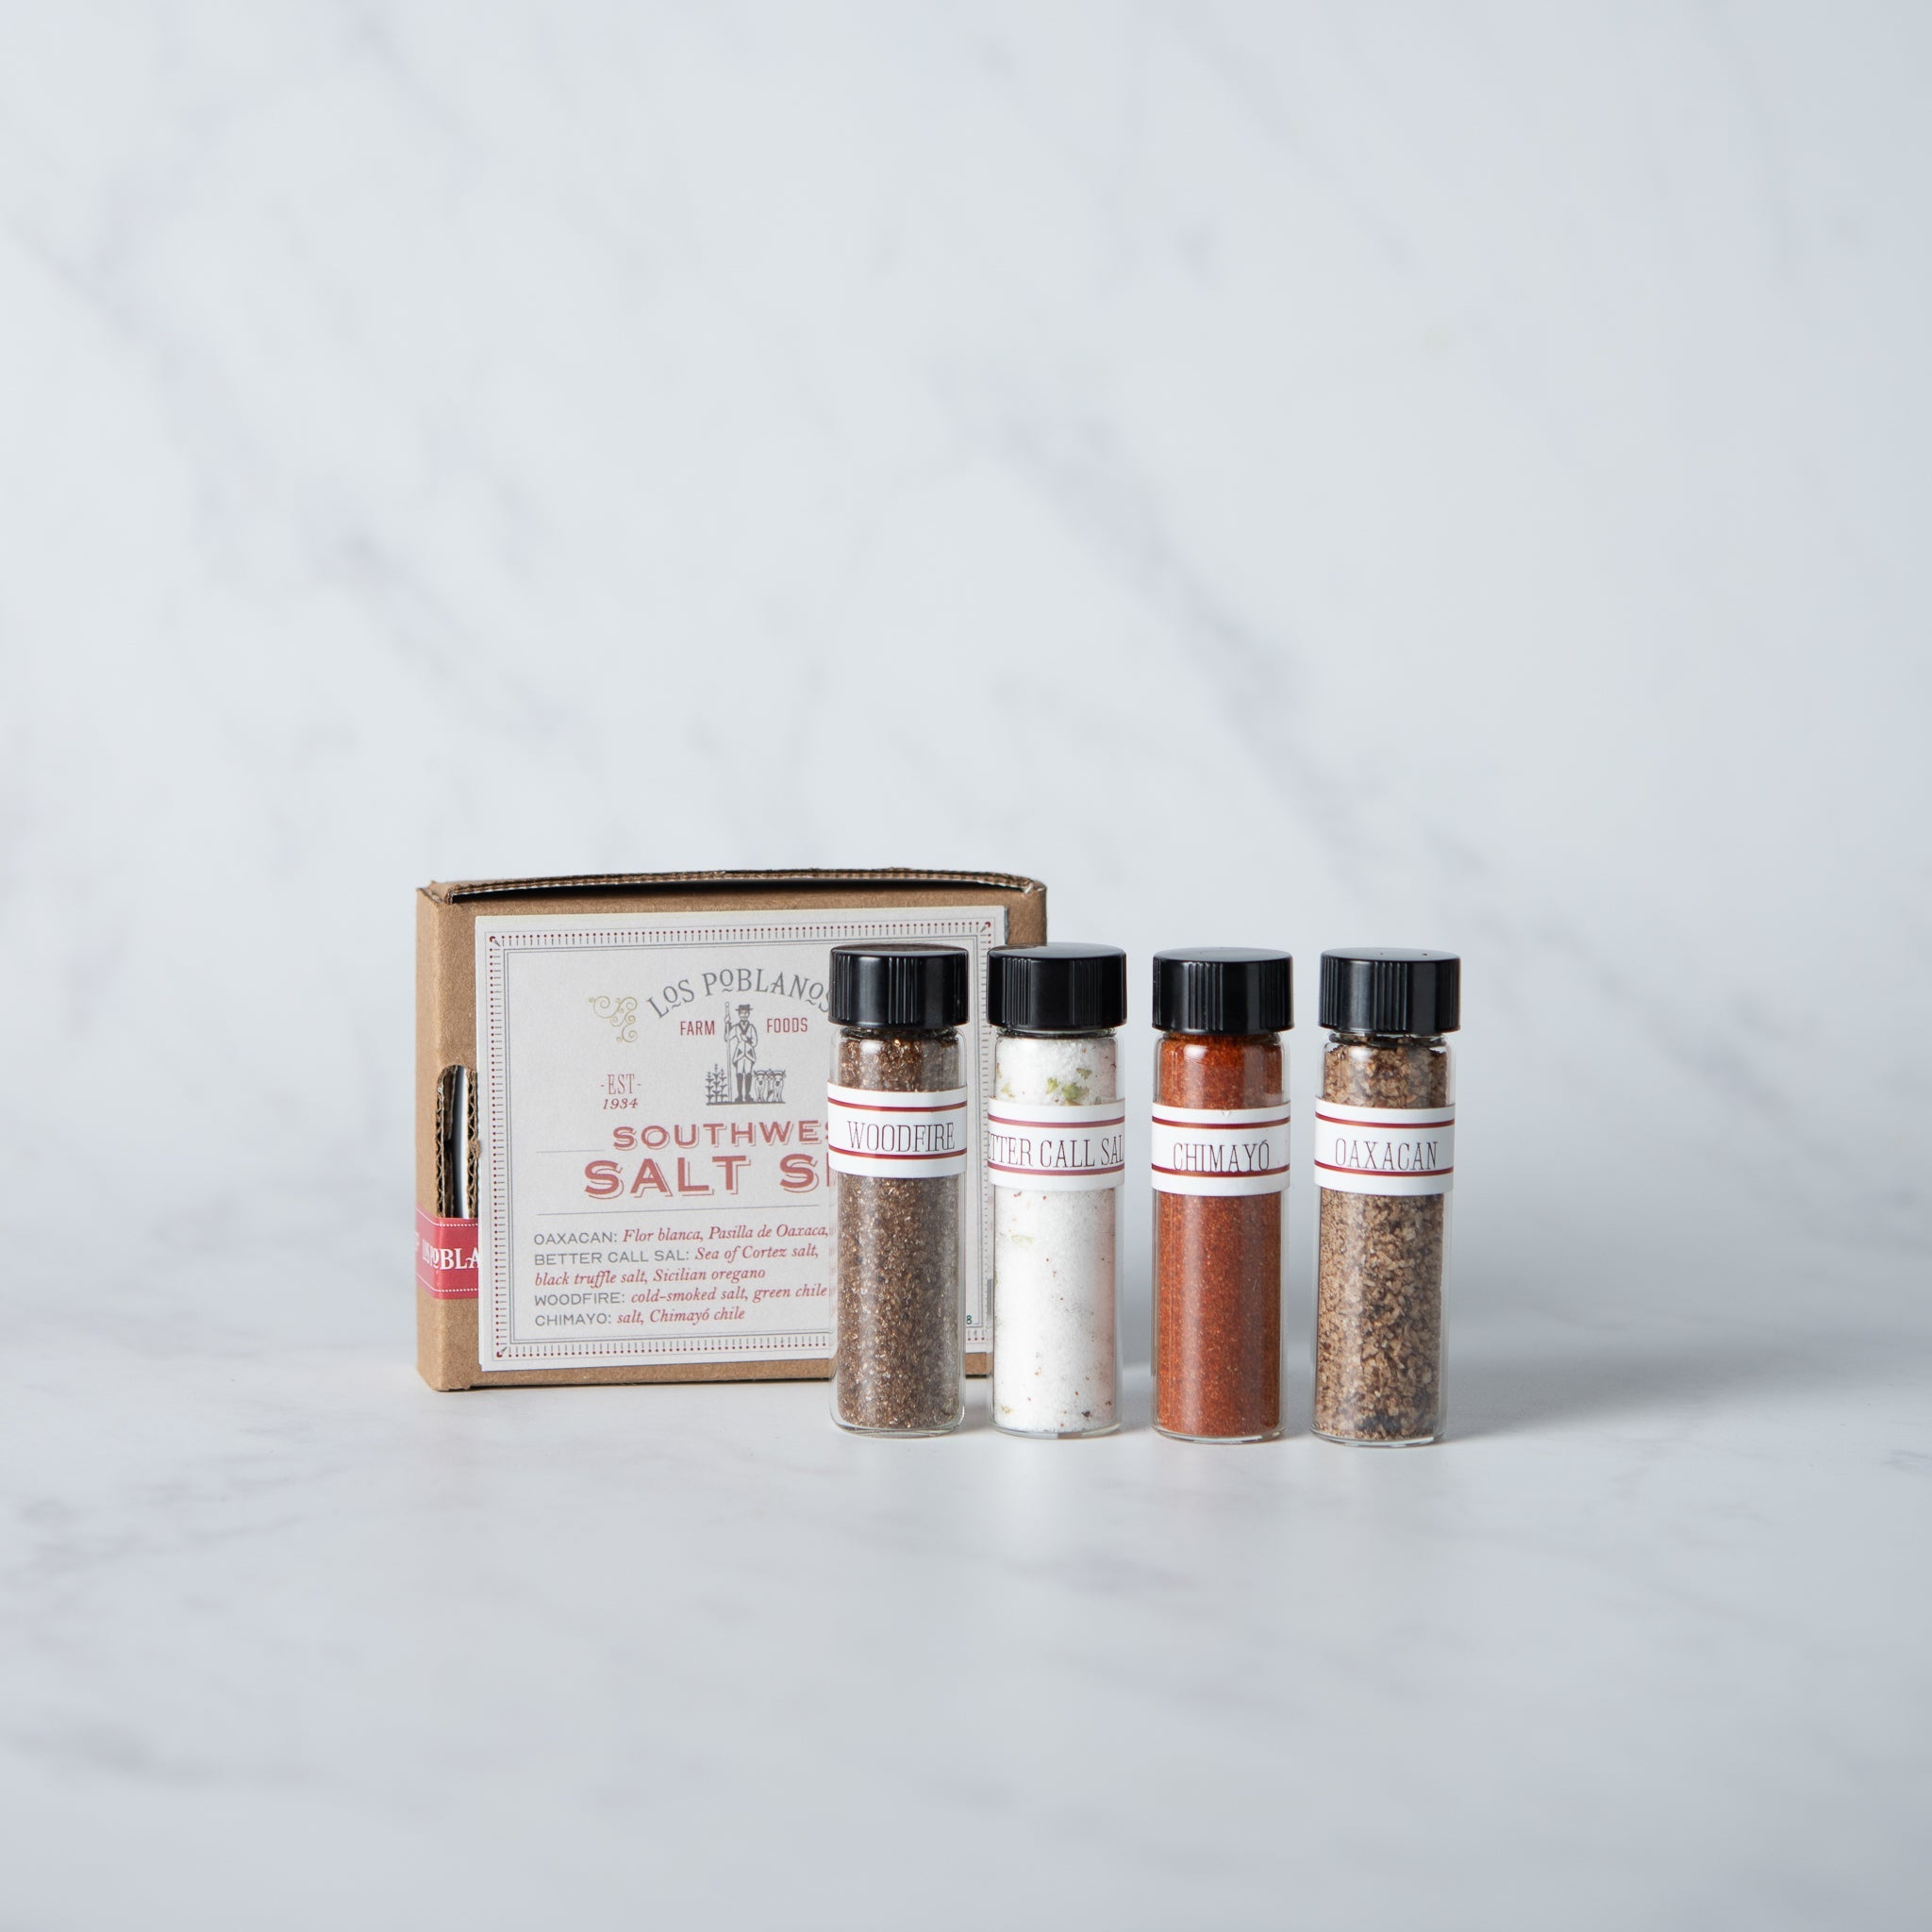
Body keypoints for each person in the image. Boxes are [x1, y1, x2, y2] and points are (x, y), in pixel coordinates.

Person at [725, 1003, 758, 1102]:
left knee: (748, 1073)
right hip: (739, 1053)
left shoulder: (751, 1027)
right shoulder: (736, 1027)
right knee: (739, 1073)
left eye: (746, 1013)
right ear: (739, 1014)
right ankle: (740, 1096)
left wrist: (747, 1039)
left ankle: (747, 1095)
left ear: (748, 1014)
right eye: (742, 1013)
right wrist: (727, 1025)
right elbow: (727, 1038)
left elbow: (755, 1042)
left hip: (748, 1053)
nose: (744, 1015)